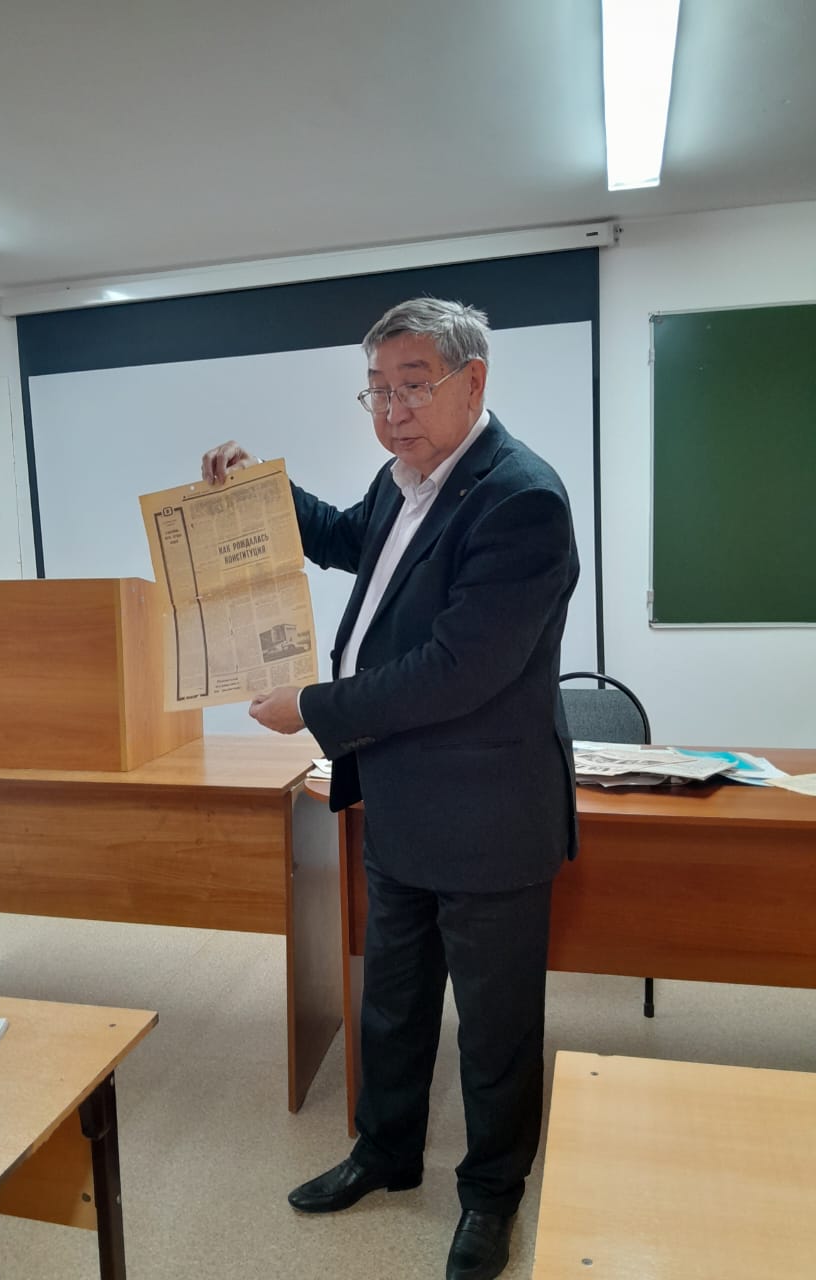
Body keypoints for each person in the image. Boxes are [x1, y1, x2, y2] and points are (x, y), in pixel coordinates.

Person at [202, 297, 579, 1280]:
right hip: (400, 799)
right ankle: (385, 1151)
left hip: (491, 816)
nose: (393, 410)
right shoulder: (401, 478)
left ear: (473, 382)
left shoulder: (521, 499)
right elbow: (343, 537)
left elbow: (458, 669)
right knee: (394, 1001)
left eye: (414, 385)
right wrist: (264, 492)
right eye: (377, 390)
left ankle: (490, 1195)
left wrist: (312, 706)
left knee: (495, 1028)